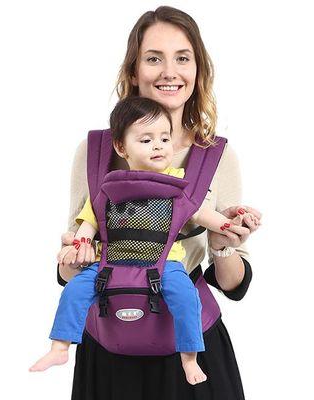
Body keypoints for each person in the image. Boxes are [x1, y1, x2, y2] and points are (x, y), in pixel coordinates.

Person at [58, 6, 261, 400]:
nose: (170, 71)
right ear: (133, 71)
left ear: (197, 70)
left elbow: (233, 285)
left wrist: (223, 246)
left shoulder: (217, 156)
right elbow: (67, 274)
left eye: (182, 58)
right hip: (109, 350)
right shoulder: (95, 152)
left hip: (192, 349)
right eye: (154, 59)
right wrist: (73, 257)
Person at [30, 97, 258, 384]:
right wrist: (78, 248)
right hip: (110, 264)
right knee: (75, 289)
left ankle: (189, 358)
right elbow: (87, 226)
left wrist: (230, 225)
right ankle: (60, 346)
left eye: (165, 138)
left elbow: (203, 215)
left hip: (165, 263)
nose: (158, 146)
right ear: (121, 147)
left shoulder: (178, 186)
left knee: (187, 297)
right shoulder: (107, 187)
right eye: (147, 140)